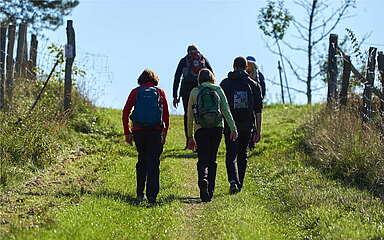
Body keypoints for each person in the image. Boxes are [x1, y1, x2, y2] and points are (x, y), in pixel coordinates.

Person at [186, 68, 237, 202]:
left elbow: (189, 116)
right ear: (212, 78)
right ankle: (210, 190)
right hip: (216, 128)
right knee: (212, 159)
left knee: (202, 158)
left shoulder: (195, 92)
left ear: (199, 80)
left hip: (200, 129)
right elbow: (226, 111)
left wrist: (190, 136)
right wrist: (233, 128)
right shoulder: (218, 90)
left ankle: (203, 179)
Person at [122, 69, 169, 204]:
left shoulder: (136, 92)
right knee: (153, 162)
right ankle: (152, 196)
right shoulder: (159, 92)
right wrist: (164, 132)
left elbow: (125, 112)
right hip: (155, 130)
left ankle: (140, 193)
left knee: (142, 159)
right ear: (154, 80)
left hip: (139, 130)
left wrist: (127, 132)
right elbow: (165, 114)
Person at [220, 56, 263, 194]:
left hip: (230, 125)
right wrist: (258, 131)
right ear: (246, 68)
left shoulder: (225, 84)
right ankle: (240, 183)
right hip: (247, 125)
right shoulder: (254, 85)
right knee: (242, 154)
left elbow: (220, 106)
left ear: (233, 66)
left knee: (231, 154)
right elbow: (258, 111)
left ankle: (233, 181)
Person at [173, 45, 214, 149]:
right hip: (201, 90)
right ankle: (201, 142)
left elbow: (177, 77)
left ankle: (189, 141)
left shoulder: (184, 60)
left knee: (188, 115)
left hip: (186, 91)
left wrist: (175, 95)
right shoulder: (203, 59)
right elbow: (211, 74)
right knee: (200, 114)